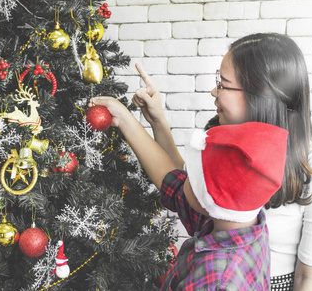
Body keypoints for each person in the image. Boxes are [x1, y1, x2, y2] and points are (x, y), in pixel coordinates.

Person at [124, 33, 312, 291]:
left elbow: (308, 278)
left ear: (260, 95)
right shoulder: (225, 135)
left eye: (223, 84)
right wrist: (157, 119)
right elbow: (186, 183)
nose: (214, 91)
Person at [90, 99, 289, 289]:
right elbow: (172, 184)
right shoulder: (238, 222)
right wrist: (126, 119)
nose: (185, 177)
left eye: (193, 177)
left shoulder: (217, 282)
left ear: (209, 198)